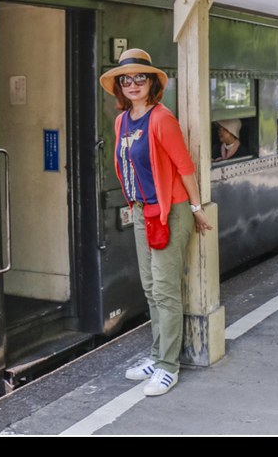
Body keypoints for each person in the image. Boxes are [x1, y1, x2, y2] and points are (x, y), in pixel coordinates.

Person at [100, 49, 212, 397]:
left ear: (152, 84)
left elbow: (184, 166)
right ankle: (155, 355)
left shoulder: (161, 118)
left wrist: (196, 208)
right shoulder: (121, 121)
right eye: (125, 79)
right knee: (150, 288)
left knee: (165, 290)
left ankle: (167, 366)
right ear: (119, 86)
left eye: (140, 78)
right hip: (141, 210)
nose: (132, 84)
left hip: (171, 210)